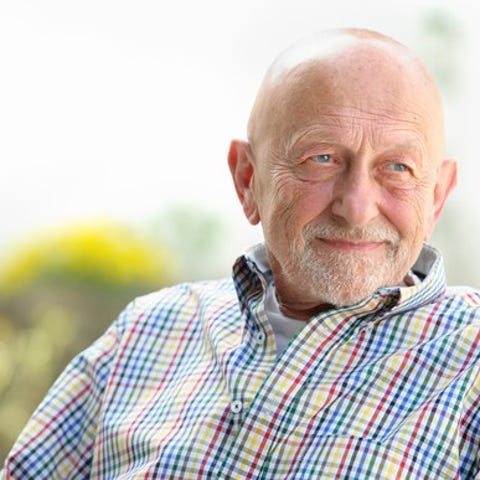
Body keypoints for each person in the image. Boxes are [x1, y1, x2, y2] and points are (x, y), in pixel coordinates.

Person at [2, 27, 478, 479]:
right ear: (248, 179)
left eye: (397, 166)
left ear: (436, 195)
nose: (356, 208)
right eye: (322, 158)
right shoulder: (142, 334)